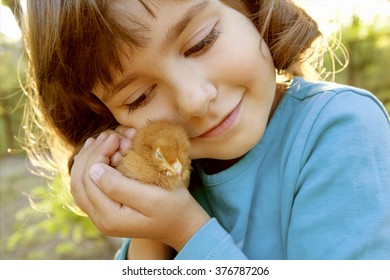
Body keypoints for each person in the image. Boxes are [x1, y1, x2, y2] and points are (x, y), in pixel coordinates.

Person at [20, 0, 390, 260]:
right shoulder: (172, 172)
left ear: (248, 6)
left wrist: (184, 230)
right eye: (140, 97)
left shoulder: (341, 129)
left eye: (202, 42)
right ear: (106, 119)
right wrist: (147, 226)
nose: (195, 101)